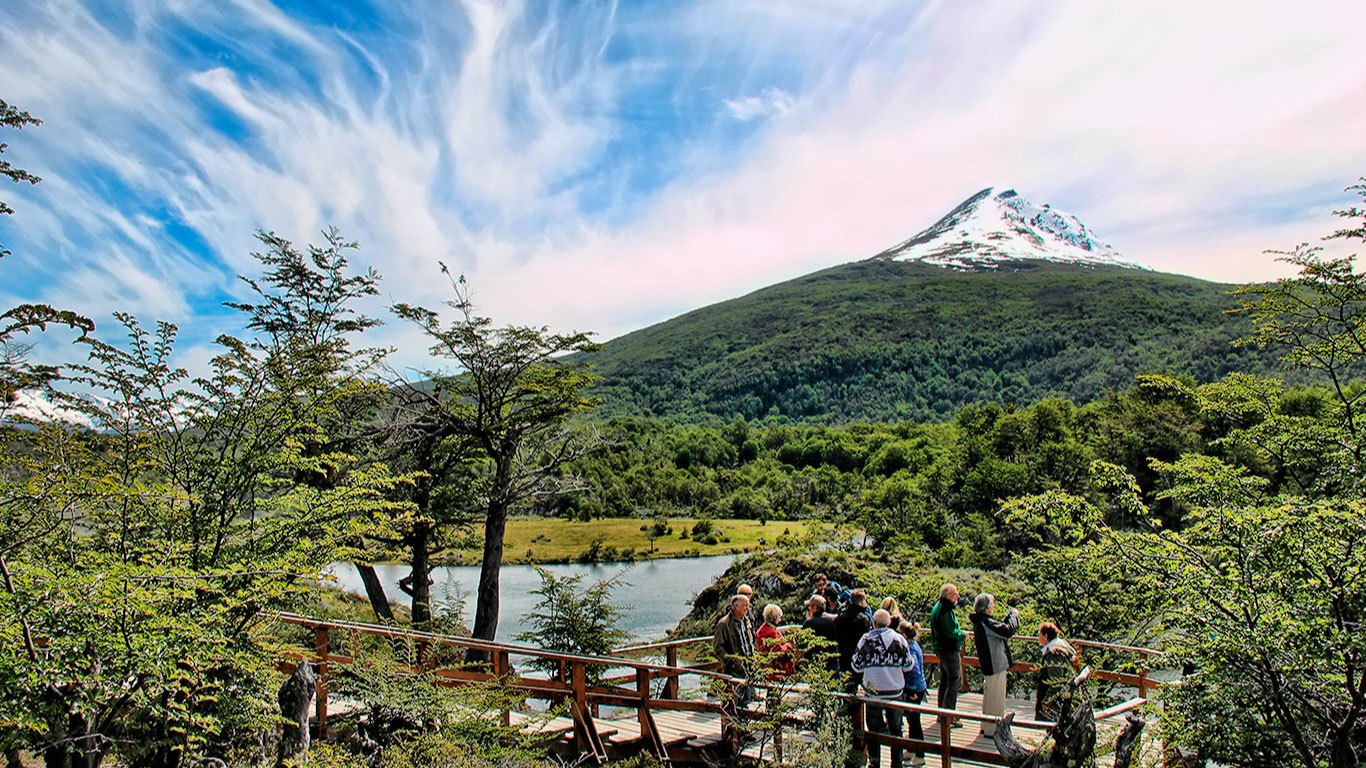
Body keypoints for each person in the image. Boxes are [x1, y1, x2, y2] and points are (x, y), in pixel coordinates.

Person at [852, 609, 915, 768]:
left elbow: (856, 666)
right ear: (889, 623)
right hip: (895, 691)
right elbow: (909, 665)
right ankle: (897, 763)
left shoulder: (866, 640)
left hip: (873, 693)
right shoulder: (899, 639)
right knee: (896, 730)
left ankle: (875, 762)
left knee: (873, 731)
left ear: (873, 622)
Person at [968, 593, 1020, 738]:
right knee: (996, 698)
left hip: (990, 664)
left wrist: (1009, 618)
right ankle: (993, 730)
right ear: (985, 608)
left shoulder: (981, 622)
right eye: (992, 604)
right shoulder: (985, 622)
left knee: (990, 696)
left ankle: (986, 726)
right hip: (995, 664)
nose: (994, 607)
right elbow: (1007, 631)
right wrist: (1014, 616)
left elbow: (1000, 628)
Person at [929, 583, 966, 725]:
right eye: (955, 594)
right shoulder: (945, 609)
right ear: (948, 596)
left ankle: (942, 714)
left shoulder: (938, 607)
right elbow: (950, 631)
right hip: (948, 649)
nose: (958, 596)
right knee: (955, 681)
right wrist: (962, 635)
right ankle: (949, 716)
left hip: (941, 648)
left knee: (945, 680)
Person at [713, 594, 756, 706]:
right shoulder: (724, 624)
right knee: (733, 705)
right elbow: (718, 648)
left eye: (748, 606)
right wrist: (730, 661)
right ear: (736, 607)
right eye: (745, 606)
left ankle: (744, 722)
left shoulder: (746, 621)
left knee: (746, 704)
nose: (748, 609)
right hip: (734, 672)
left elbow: (750, 642)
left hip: (747, 670)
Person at [898, 622, 929, 767]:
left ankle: (920, 754)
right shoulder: (913, 645)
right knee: (911, 720)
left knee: (915, 721)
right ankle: (911, 748)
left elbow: (914, 671)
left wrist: (910, 691)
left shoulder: (910, 649)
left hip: (915, 689)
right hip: (917, 687)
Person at [1035, 622, 1076, 721]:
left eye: (1039, 634)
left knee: (1050, 726)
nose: (1038, 637)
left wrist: (1047, 701)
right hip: (1066, 694)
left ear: (1045, 636)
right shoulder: (1063, 645)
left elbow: (1056, 681)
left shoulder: (1054, 653)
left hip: (1056, 700)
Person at [835, 589, 873, 685]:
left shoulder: (841, 616)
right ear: (861, 601)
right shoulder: (863, 619)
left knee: (846, 683)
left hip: (843, 655)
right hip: (858, 656)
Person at [756, 603, 795, 681]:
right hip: (775, 669)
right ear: (775, 618)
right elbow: (778, 651)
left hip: (766, 667)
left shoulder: (762, 629)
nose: (780, 620)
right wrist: (788, 645)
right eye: (779, 617)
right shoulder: (771, 632)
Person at [801, 595, 839, 672]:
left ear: (815, 608)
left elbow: (802, 643)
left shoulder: (809, 623)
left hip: (814, 661)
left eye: (810, 607)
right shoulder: (832, 621)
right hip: (831, 659)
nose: (809, 610)